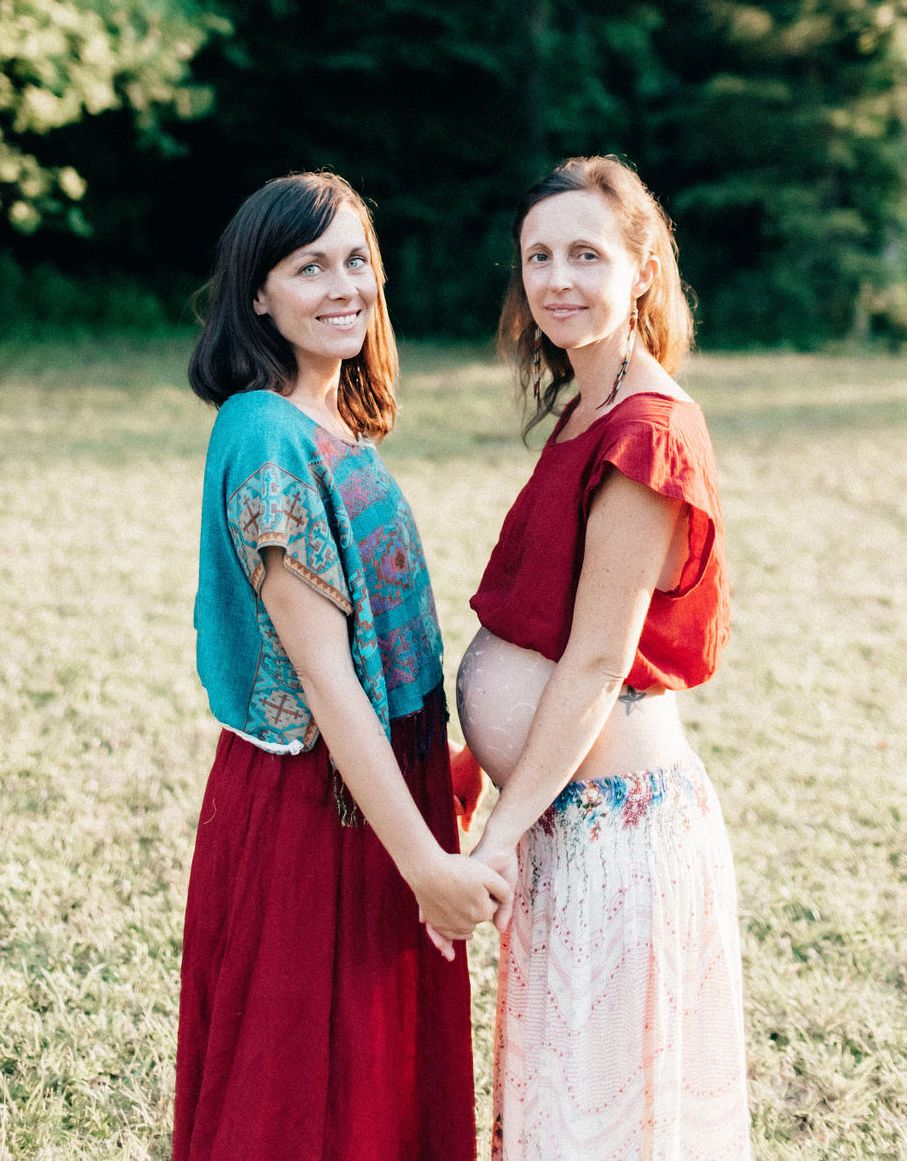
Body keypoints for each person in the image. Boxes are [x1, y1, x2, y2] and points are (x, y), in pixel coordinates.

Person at [173, 171, 510, 1161]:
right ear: (257, 293)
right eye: (308, 266)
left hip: (380, 787)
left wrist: (438, 777)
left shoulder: (329, 425)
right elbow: (325, 677)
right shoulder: (267, 434)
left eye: (355, 260)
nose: (343, 286)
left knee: (375, 1081)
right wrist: (425, 865)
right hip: (315, 805)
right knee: (308, 1097)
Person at [455, 156, 752, 1159]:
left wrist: (497, 835)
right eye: (537, 256)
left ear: (642, 270)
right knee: (567, 1116)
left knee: (603, 1129)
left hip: (614, 838)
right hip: (566, 820)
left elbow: (593, 665)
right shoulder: (585, 405)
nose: (556, 279)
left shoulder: (646, 433)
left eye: (586, 254)